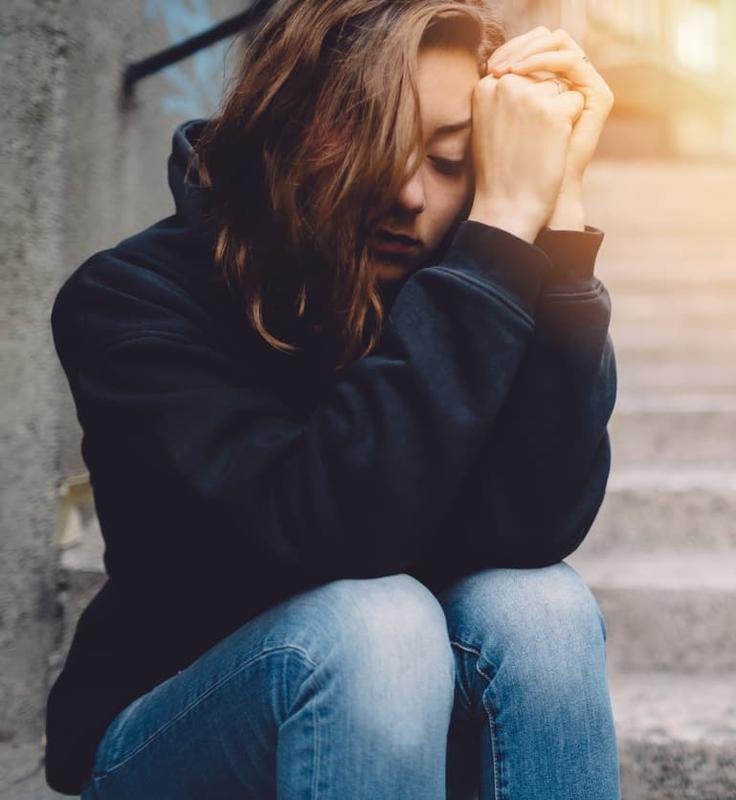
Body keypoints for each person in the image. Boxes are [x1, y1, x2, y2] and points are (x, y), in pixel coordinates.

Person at [43, 1, 619, 797]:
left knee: (540, 606)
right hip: (177, 733)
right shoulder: (130, 300)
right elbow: (325, 533)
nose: (412, 193)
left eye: (454, 162)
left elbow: (535, 526)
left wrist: (555, 219)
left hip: (385, 731)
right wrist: (495, 250)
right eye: (373, 143)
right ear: (281, 119)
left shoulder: (470, 282)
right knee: (376, 626)